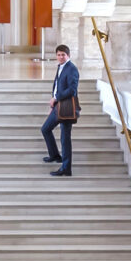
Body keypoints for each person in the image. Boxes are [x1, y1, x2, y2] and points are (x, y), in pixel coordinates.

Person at [42, 43, 78, 176]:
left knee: (65, 138)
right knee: (45, 129)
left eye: (63, 54)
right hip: (58, 105)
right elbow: (58, 86)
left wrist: (56, 98)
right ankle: (55, 155)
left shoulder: (72, 69)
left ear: (68, 55)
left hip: (67, 106)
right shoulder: (61, 67)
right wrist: (54, 102)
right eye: (58, 54)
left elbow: (72, 90)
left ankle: (66, 168)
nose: (61, 57)